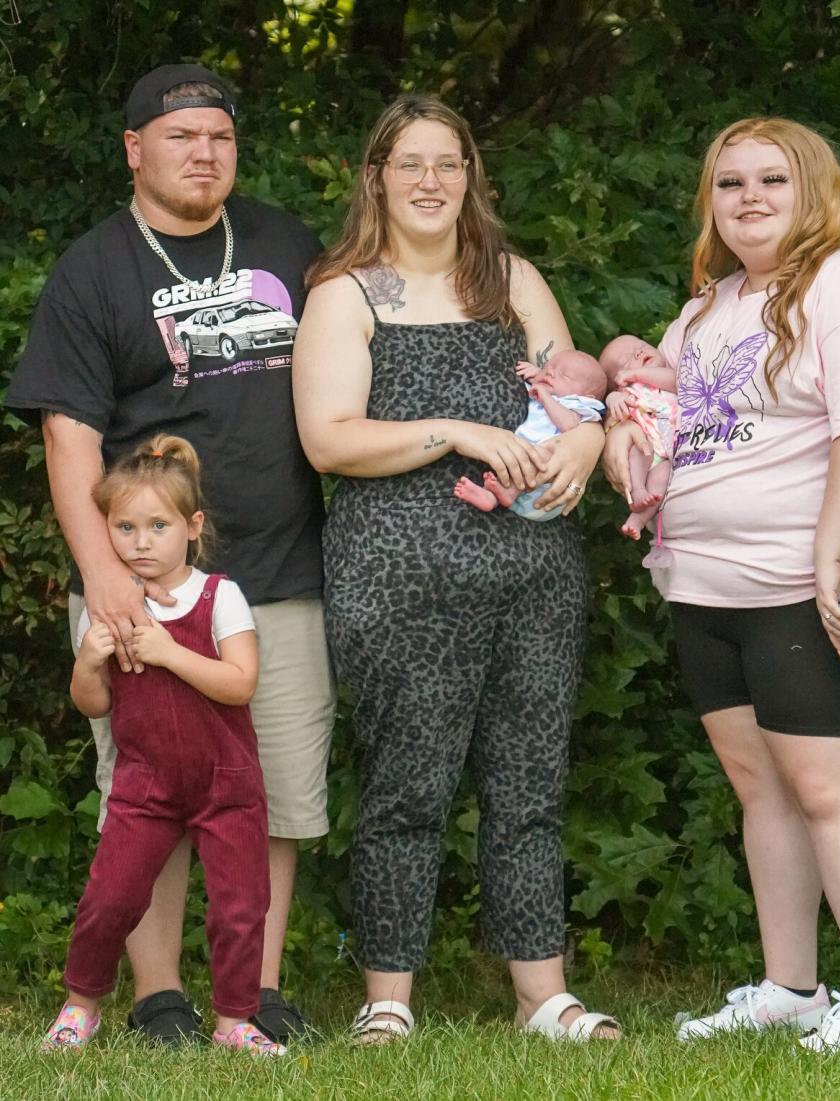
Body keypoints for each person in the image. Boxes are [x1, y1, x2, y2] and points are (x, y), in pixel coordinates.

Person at [7, 64, 335, 1045]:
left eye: (221, 136)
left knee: (271, 788)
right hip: (146, 579)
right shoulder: (95, 267)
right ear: (135, 150)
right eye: (182, 135)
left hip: (278, 570)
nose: (204, 152)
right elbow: (67, 433)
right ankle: (158, 998)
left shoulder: (286, 244)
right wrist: (107, 580)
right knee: (147, 796)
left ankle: (256, 990)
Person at [293, 94, 619, 1043]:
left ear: (471, 177)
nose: (430, 181)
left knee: (529, 779)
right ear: (377, 179)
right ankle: (387, 999)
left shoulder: (513, 280)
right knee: (407, 783)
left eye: (449, 163)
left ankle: (541, 996)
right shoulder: (345, 293)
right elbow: (327, 439)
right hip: (400, 570)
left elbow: (577, 397)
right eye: (410, 164)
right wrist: (459, 432)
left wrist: (588, 448)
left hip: (533, 566)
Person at [603, 117, 840, 1051]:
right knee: (762, 787)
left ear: (814, 191)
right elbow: (665, 418)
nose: (749, 199)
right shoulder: (707, 309)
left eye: (772, 181)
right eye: (731, 183)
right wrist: (631, 440)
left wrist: (830, 560)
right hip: (704, 585)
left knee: (829, 786)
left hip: (803, 578)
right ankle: (794, 985)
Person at [43, 435, 284, 1057]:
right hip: (144, 785)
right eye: (124, 527)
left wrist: (170, 653)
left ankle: (235, 1022)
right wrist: (91, 663)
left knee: (239, 907)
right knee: (109, 899)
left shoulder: (218, 596)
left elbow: (241, 683)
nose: (141, 541)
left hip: (225, 783)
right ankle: (81, 1006)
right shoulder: (108, 608)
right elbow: (92, 704)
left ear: (192, 527)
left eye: (157, 525)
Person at [454, 349, 606, 520]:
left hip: (548, 486)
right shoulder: (544, 388)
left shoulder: (576, 404)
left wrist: (546, 397)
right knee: (517, 458)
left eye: (565, 375)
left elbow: (569, 424)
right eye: (549, 366)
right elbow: (538, 383)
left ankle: (509, 493)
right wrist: (537, 374)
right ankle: (491, 497)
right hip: (522, 461)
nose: (550, 372)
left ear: (587, 396)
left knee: (539, 456)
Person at [599, 335, 679, 542]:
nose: (639, 352)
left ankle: (638, 518)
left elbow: (677, 381)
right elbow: (613, 411)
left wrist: (636, 371)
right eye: (627, 360)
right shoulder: (627, 391)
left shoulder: (666, 378)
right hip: (647, 446)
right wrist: (612, 397)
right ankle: (637, 494)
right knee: (638, 452)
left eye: (642, 346)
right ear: (616, 380)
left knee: (662, 478)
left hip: (671, 453)